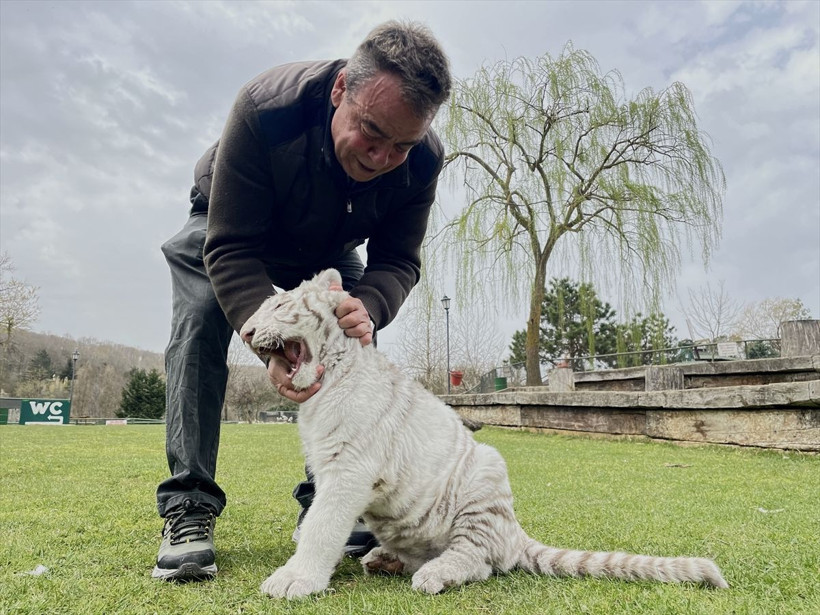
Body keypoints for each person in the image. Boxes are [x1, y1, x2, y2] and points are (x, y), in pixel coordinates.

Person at [152, 21, 452, 582]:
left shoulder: (423, 160)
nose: (382, 156)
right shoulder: (266, 108)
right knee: (198, 324)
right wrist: (271, 341)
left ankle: (328, 501)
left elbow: (397, 260)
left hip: (328, 246)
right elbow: (231, 247)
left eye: (402, 145)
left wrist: (368, 308)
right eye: (371, 131)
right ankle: (189, 505)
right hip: (231, 228)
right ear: (340, 90)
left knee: (355, 335)